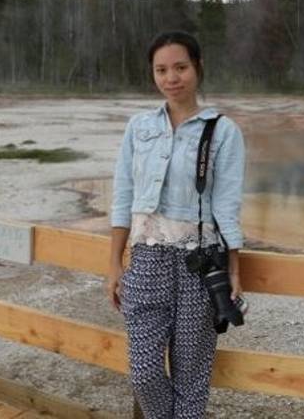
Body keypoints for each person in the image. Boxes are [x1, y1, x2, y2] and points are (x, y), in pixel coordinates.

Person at [107, 30, 245, 419]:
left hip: (199, 264)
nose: (171, 78)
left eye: (180, 67)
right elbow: (123, 196)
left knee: (191, 376)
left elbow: (227, 205)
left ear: (198, 68)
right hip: (146, 260)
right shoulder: (139, 127)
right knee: (145, 372)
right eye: (161, 70)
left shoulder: (223, 131)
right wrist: (114, 263)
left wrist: (235, 269)